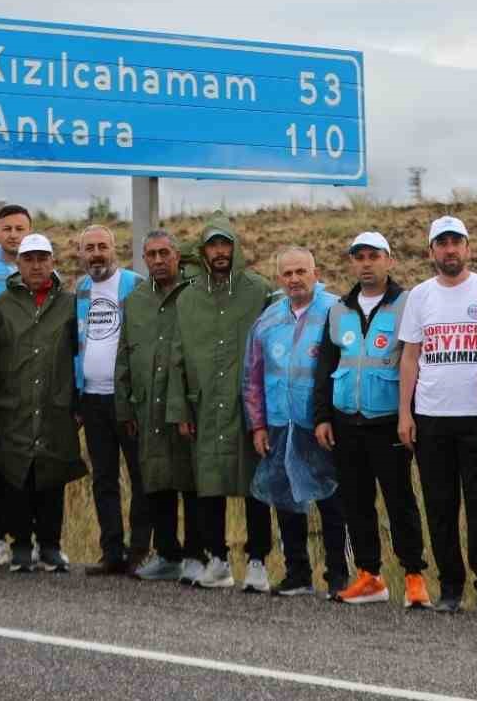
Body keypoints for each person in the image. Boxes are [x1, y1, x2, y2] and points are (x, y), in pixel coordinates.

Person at [396, 215, 477, 614]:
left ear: (467, 247)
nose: (449, 250)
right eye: (441, 243)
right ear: (431, 252)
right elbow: (409, 357)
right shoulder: (420, 296)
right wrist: (404, 414)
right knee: (440, 506)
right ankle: (451, 587)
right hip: (432, 416)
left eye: (456, 242)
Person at [313, 231, 430, 607]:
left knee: (400, 502)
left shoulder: (407, 305)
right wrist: (323, 418)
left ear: (389, 261)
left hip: (389, 422)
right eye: (359, 256)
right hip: (347, 422)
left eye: (373, 256)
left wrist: (409, 415)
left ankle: (414, 577)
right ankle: (369, 577)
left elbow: (417, 362)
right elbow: (325, 367)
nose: (366, 263)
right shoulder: (338, 310)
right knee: (356, 502)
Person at [167, 213, 277, 593]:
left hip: (247, 407)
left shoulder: (258, 290)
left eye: (226, 244)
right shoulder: (188, 298)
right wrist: (180, 409)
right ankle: (216, 560)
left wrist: (267, 409)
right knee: (207, 484)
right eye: (213, 245)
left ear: (236, 247)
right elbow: (177, 357)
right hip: (204, 406)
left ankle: (259, 562)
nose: (220, 251)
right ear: (203, 250)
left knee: (255, 485)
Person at [243, 246, 348, 597]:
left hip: (320, 424)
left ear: (315, 273)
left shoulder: (336, 310)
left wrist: (332, 418)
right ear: (279, 279)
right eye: (287, 274)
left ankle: (338, 575)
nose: (295, 279)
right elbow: (252, 376)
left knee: (332, 500)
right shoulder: (267, 320)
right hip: (279, 423)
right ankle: (297, 574)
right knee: (286, 498)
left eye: (301, 271)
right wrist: (257, 424)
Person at [0, 233, 85, 572]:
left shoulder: (69, 304)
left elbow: (79, 353)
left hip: (56, 404)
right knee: (17, 476)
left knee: (51, 476)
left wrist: (77, 402)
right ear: (18, 264)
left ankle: (50, 545)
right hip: (14, 404)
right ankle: (22, 545)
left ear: (52, 262)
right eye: (29, 259)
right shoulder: (1, 306)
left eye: (43, 258)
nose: (37, 265)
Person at [115, 230, 204, 583]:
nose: (157, 260)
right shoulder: (135, 300)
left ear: (177, 255)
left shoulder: (195, 295)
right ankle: (167, 553)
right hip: (145, 407)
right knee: (156, 481)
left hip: (185, 408)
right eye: (150, 254)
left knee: (190, 481)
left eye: (164, 253)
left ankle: (197, 555)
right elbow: (124, 354)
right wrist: (124, 408)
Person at [73, 224, 148, 575]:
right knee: (103, 477)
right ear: (81, 253)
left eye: (102, 246)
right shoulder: (81, 289)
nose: (97, 253)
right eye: (90, 248)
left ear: (115, 248)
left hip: (126, 399)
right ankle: (111, 552)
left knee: (139, 475)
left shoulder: (135, 284)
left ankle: (139, 553)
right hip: (92, 398)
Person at [0, 202, 32, 567]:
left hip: (28, 380)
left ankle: (24, 538)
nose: (14, 235)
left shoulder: (40, 265)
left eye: (20, 229)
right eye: (7, 229)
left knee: (24, 461)